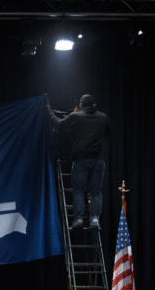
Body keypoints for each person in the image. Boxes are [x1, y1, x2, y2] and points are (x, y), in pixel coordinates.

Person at [46, 94, 112, 229]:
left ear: (80, 105)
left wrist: (48, 110)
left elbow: (58, 123)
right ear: (94, 105)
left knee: (78, 191)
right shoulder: (103, 117)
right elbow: (107, 134)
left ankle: (79, 220)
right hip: (98, 159)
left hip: (81, 159)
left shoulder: (76, 116)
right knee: (96, 192)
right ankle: (94, 220)